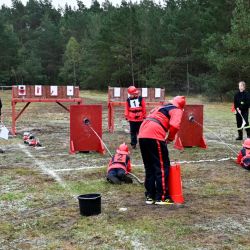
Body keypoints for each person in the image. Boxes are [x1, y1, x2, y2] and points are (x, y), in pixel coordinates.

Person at [138, 96, 186, 205]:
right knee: (162, 167)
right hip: (155, 135)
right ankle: (162, 197)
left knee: (149, 167)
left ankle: (150, 196)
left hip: (142, 134)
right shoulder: (176, 109)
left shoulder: (160, 107)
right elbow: (174, 125)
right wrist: (170, 138)